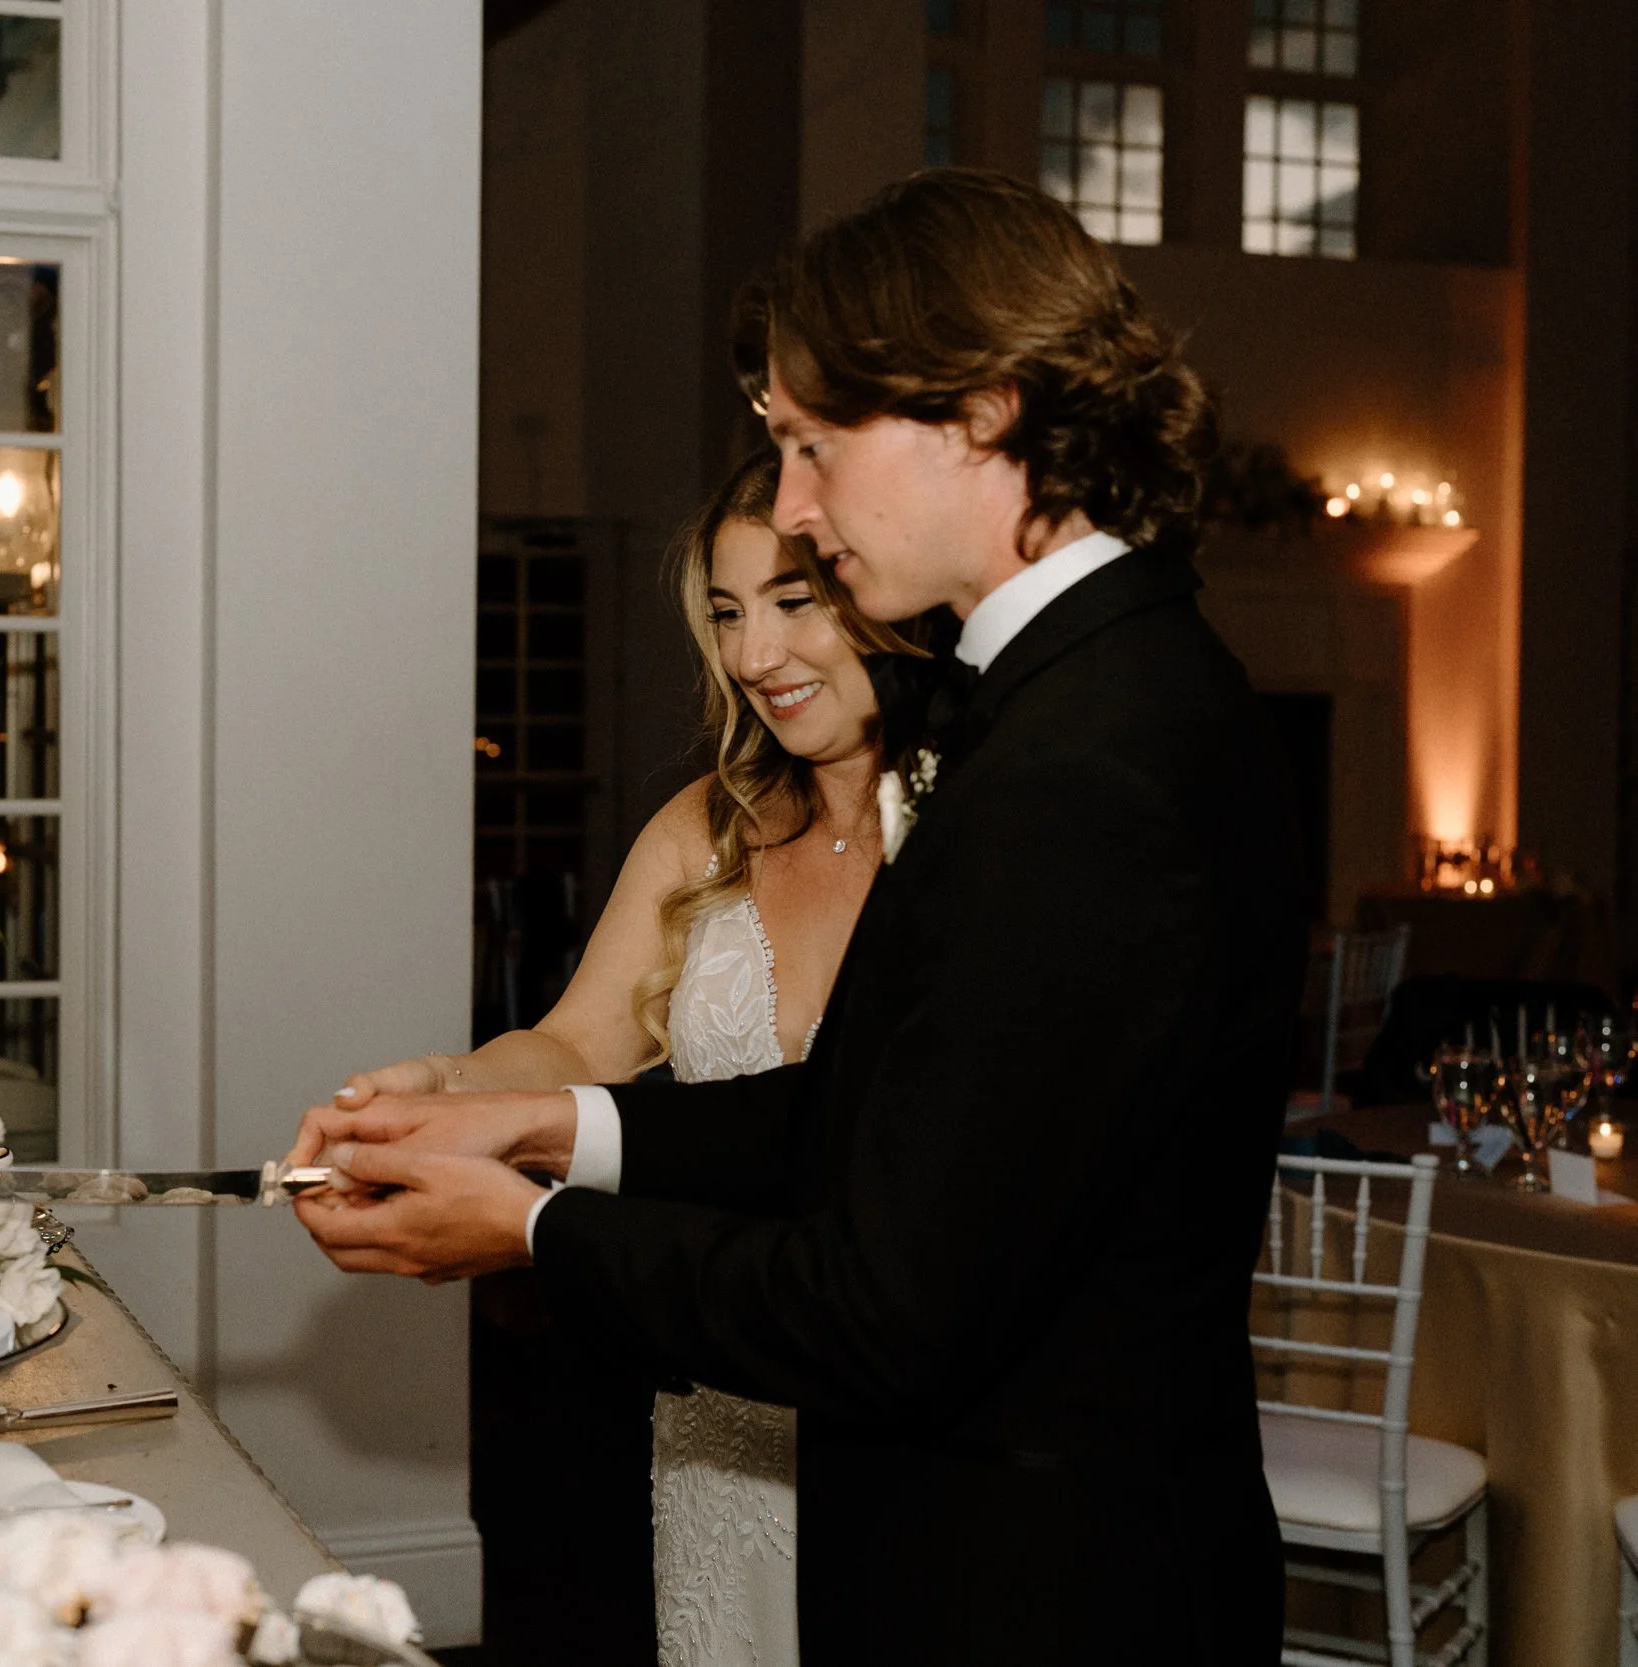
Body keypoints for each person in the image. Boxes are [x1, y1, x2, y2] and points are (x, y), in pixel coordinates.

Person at [287, 169, 1305, 1666]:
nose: (799, 512)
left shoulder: (1088, 762)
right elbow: (900, 1113)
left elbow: (884, 1303)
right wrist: (563, 1128)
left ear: (985, 411)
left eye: (814, 447)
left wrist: (535, 1229)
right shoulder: (1093, 692)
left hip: (1035, 1591)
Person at [342, 447, 925, 1667]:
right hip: (719, 1403)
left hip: (913, 1407)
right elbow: (572, 1042)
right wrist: (441, 1089)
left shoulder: (972, 829)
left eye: (793, 601)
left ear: (882, 590)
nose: (756, 655)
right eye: (726, 613)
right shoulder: (704, 829)